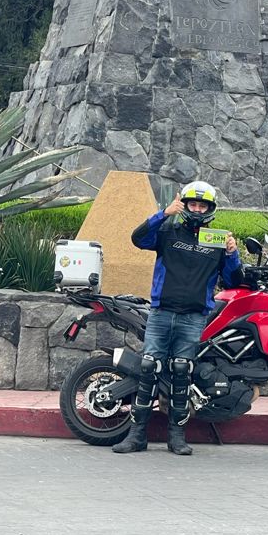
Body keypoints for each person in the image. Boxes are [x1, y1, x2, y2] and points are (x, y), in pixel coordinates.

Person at [112, 180, 242, 456]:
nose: (196, 209)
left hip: (193, 316)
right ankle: (136, 436)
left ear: (210, 208)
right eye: (192, 203)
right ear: (184, 204)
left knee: (182, 371)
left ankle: (177, 437)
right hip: (162, 312)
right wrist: (164, 213)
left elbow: (232, 280)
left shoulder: (217, 239)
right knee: (149, 368)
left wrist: (232, 254)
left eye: (201, 205)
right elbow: (138, 239)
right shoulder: (167, 231)